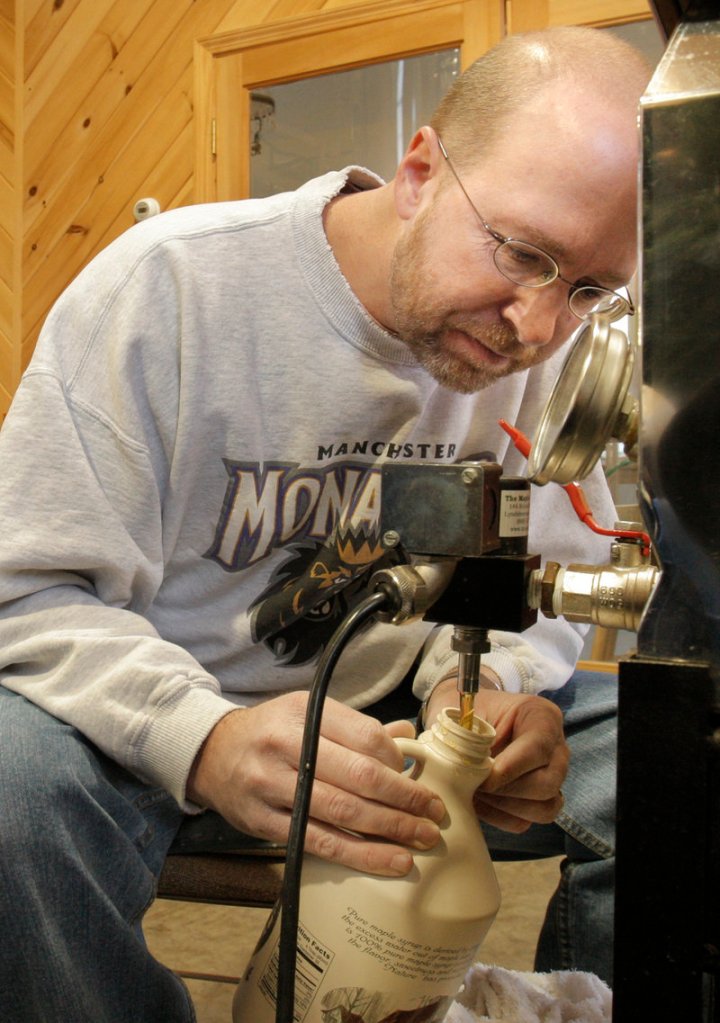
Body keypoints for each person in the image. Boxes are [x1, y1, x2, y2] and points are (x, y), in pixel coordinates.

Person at [0, 25, 649, 1022]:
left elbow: (545, 580)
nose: (536, 327)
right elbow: (24, 590)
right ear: (422, 170)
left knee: (684, 759)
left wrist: (488, 691)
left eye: (590, 289)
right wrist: (202, 737)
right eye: (521, 253)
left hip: (399, 705)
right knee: (10, 787)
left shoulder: (547, 344)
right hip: (160, 715)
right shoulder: (169, 290)